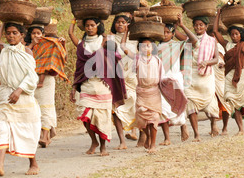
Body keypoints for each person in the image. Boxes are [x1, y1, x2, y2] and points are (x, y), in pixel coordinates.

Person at [0, 2, 41, 176]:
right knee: (2, 127)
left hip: (24, 97)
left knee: (27, 131)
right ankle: (0, 165)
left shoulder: (27, 53)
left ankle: (33, 164)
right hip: (6, 95)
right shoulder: (3, 50)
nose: (11, 36)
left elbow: (32, 77)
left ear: (22, 35)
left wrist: (19, 91)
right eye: (8, 33)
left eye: (15, 33)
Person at [121, 28, 187, 154]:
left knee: (154, 118)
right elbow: (123, 46)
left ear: (152, 48)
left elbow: (161, 78)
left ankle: (152, 144)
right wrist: (127, 31)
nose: (146, 49)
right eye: (143, 46)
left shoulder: (157, 60)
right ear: (139, 49)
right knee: (141, 118)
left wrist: (170, 84)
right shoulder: (137, 59)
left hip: (154, 93)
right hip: (141, 93)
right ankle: (147, 136)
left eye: (148, 46)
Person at [68, 18, 127, 156]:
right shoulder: (82, 45)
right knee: (85, 115)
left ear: (97, 26)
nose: (89, 28)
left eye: (92, 25)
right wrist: (73, 20)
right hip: (87, 85)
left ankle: (103, 147)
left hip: (102, 85)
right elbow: (79, 69)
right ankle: (93, 141)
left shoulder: (105, 42)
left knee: (103, 118)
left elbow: (115, 59)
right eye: (87, 25)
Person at [213, 11, 244, 136]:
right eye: (232, 34)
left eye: (236, 34)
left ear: (241, 35)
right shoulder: (227, 45)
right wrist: (218, 14)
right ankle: (241, 129)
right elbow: (216, 32)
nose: (233, 36)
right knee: (232, 101)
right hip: (229, 77)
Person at [25, 24, 69, 148]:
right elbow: (24, 58)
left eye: (39, 33)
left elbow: (63, 58)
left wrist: (63, 44)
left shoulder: (49, 45)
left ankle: (44, 136)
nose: (36, 36)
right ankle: (47, 132)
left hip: (47, 81)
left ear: (43, 35)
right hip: (32, 80)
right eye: (33, 33)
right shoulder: (27, 47)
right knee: (35, 107)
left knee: (46, 106)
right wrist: (32, 44)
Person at [157, 14, 197, 145]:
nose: (165, 35)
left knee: (177, 104)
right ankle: (167, 138)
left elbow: (194, 40)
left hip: (174, 79)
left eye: (168, 32)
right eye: (163, 32)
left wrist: (182, 25)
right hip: (161, 81)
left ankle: (183, 125)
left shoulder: (177, 45)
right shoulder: (154, 48)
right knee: (163, 108)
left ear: (173, 34)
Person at [182, 16, 220, 140]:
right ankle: (196, 134)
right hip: (190, 75)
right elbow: (176, 34)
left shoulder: (211, 40)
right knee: (190, 102)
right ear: (193, 26)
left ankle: (213, 123)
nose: (198, 27)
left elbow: (216, 59)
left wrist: (206, 62)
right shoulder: (188, 40)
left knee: (209, 100)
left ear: (206, 27)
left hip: (206, 76)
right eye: (196, 25)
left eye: (201, 25)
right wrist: (179, 24)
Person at [108, 14, 138, 149]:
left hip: (132, 77)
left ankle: (135, 131)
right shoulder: (109, 39)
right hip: (116, 77)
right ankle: (122, 141)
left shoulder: (135, 40)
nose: (120, 25)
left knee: (135, 104)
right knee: (117, 108)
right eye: (118, 22)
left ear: (128, 25)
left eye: (123, 22)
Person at [206, 26, 232, 136]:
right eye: (211, 35)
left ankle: (225, 127)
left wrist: (225, 64)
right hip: (208, 76)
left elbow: (232, 59)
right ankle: (213, 125)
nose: (213, 37)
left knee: (224, 102)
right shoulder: (205, 46)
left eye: (215, 35)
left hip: (222, 77)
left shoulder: (224, 46)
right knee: (210, 102)